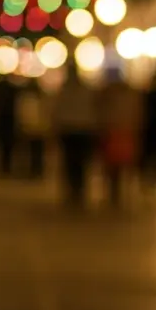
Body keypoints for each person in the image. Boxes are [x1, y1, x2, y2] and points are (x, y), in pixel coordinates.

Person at [53, 61, 99, 208]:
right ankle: (75, 191)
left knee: (74, 163)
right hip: (75, 130)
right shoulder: (75, 90)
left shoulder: (66, 91)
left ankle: (76, 191)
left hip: (77, 130)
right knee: (74, 163)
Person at [98, 65, 143, 208]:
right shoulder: (125, 97)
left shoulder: (119, 97)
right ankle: (116, 192)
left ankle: (118, 192)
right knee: (116, 165)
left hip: (121, 133)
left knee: (119, 165)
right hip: (117, 133)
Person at [16, 79, 47, 179]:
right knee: (34, 151)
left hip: (34, 128)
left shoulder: (26, 99)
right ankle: (33, 170)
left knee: (34, 151)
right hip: (33, 128)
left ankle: (35, 170)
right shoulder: (31, 99)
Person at [0, 75, 18, 177]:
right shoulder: (11, 90)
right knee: (7, 147)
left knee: (1, 146)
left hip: (2, 122)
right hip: (8, 122)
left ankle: (2, 167)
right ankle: (5, 167)